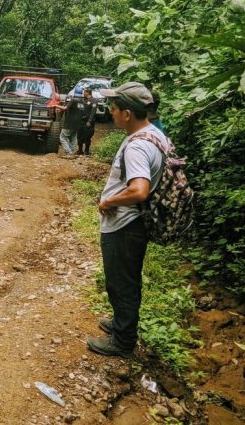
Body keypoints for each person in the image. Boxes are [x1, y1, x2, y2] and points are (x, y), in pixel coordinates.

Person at [88, 81, 167, 358]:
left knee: (121, 281)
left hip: (125, 224)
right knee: (126, 279)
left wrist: (109, 201)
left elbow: (139, 189)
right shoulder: (154, 135)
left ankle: (122, 340)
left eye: (114, 107)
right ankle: (121, 324)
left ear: (127, 113)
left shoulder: (137, 147)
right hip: (134, 223)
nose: (110, 111)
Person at [59, 93, 82, 157]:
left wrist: (56, 105)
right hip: (77, 123)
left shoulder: (73, 100)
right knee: (73, 137)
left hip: (69, 123)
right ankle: (72, 151)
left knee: (62, 137)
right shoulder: (82, 101)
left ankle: (69, 152)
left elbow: (65, 108)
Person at [77, 87, 98, 155]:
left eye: (84, 92)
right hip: (81, 121)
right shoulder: (83, 100)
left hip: (88, 122)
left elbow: (93, 112)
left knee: (87, 136)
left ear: (87, 93)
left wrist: (89, 121)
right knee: (79, 136)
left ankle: (86, 150)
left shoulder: (93, 101)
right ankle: (80, 150)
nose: (83, 94)